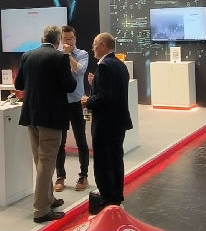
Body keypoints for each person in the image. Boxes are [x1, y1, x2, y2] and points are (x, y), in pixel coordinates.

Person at [14, 25, 77, 223]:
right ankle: (41, 210)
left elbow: (19, 85)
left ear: (43, 38)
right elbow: (70, 86)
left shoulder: (27, 55)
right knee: (47, 162)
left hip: (31, 115)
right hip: (51, 117)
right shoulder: (60, 57)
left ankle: (48, 198)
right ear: (58, 41)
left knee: (40, 161)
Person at [82, 32, 133, 209]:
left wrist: (88, 100)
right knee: (116, 159)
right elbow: (113, 92)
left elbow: (105, 97)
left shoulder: (104, 66)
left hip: (105, 123)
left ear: (103, 45)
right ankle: (115, 196)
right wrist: (95, 84)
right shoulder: (119, 64)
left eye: (95, 44)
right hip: (118, 122)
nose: (92, 48)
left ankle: (107, 198)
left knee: (104, 162)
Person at [54, 26, 90, 192]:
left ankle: (83, 175)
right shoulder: (56, 55)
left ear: (75, 39)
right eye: (65, 39)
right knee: (59, 142)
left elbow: (80, 70)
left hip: (76, 102)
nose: (68, 42)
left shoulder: (82, 54)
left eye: (70, 39)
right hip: (61, 103)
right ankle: (60, 176)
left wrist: (68, 55)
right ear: (61, 40)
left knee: (81, 140)